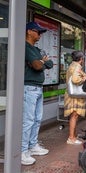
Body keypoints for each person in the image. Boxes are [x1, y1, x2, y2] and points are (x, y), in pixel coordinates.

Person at [21, 22, 53, 165]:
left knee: (37, 119)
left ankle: (32, 146)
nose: (40, 35)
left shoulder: (36, 49)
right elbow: (37, 65)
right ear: (29, 32)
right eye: (38, 32)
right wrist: (42, 62)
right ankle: (22, 151)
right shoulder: (25, 47)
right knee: (28, 120)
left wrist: (42, 62)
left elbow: (49, 63)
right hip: (28, 87)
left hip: (38, 88)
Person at [64, 51, 86, 145]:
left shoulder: (72, 65)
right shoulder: (77, 67)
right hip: (75, 96)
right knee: (74, 115)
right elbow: (75, 80)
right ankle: (71, 138)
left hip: (71, 94)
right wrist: (84, 78)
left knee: (74, 115)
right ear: (81, 59)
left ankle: (73, 135)